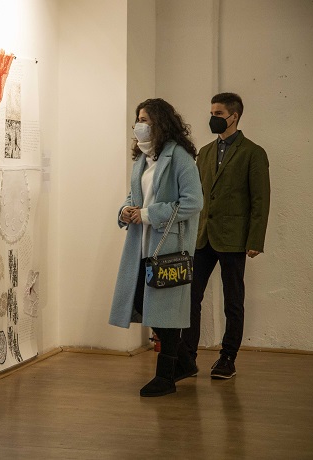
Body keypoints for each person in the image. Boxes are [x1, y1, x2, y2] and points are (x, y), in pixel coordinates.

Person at [109, 98, 203, 397]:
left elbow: (193, 202)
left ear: (160, 123)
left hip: (168, 245)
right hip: (141, 245)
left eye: (145, 120)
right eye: (138, 119)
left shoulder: (180, 157)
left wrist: (149, 214)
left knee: (166, 312)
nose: (139, 125)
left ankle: (166, 376)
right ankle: (184, 362)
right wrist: (125, 210)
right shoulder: (142, 159)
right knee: (143, 302)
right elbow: (134, 196)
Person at [180, 93, 270, 379]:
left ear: (234, 116)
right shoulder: (205, 152)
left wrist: (255, 240)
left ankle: (228, 358)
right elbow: (196, 196)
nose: (213, 118)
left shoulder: (253, 152)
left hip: (234, 238)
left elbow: (260, 200)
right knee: (190, 297)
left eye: (218, 113)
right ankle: (187, 358)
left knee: (233, 300)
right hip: (203, 237)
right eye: (211, 113)